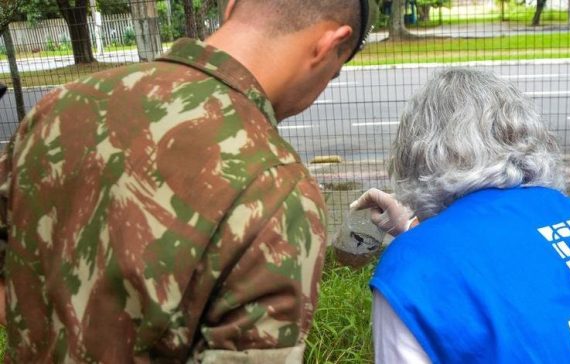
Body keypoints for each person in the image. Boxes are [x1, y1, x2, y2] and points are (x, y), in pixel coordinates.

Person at [0, 0, 377, 362]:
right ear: (329, 45)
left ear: (231, 6)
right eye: (333, 73)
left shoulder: (57, 109)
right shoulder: (278, 189)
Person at [352, 69, 570, 363]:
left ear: (417, 155)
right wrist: (413, 230)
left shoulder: (412, 268)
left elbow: (452, 274)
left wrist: (417, 246)